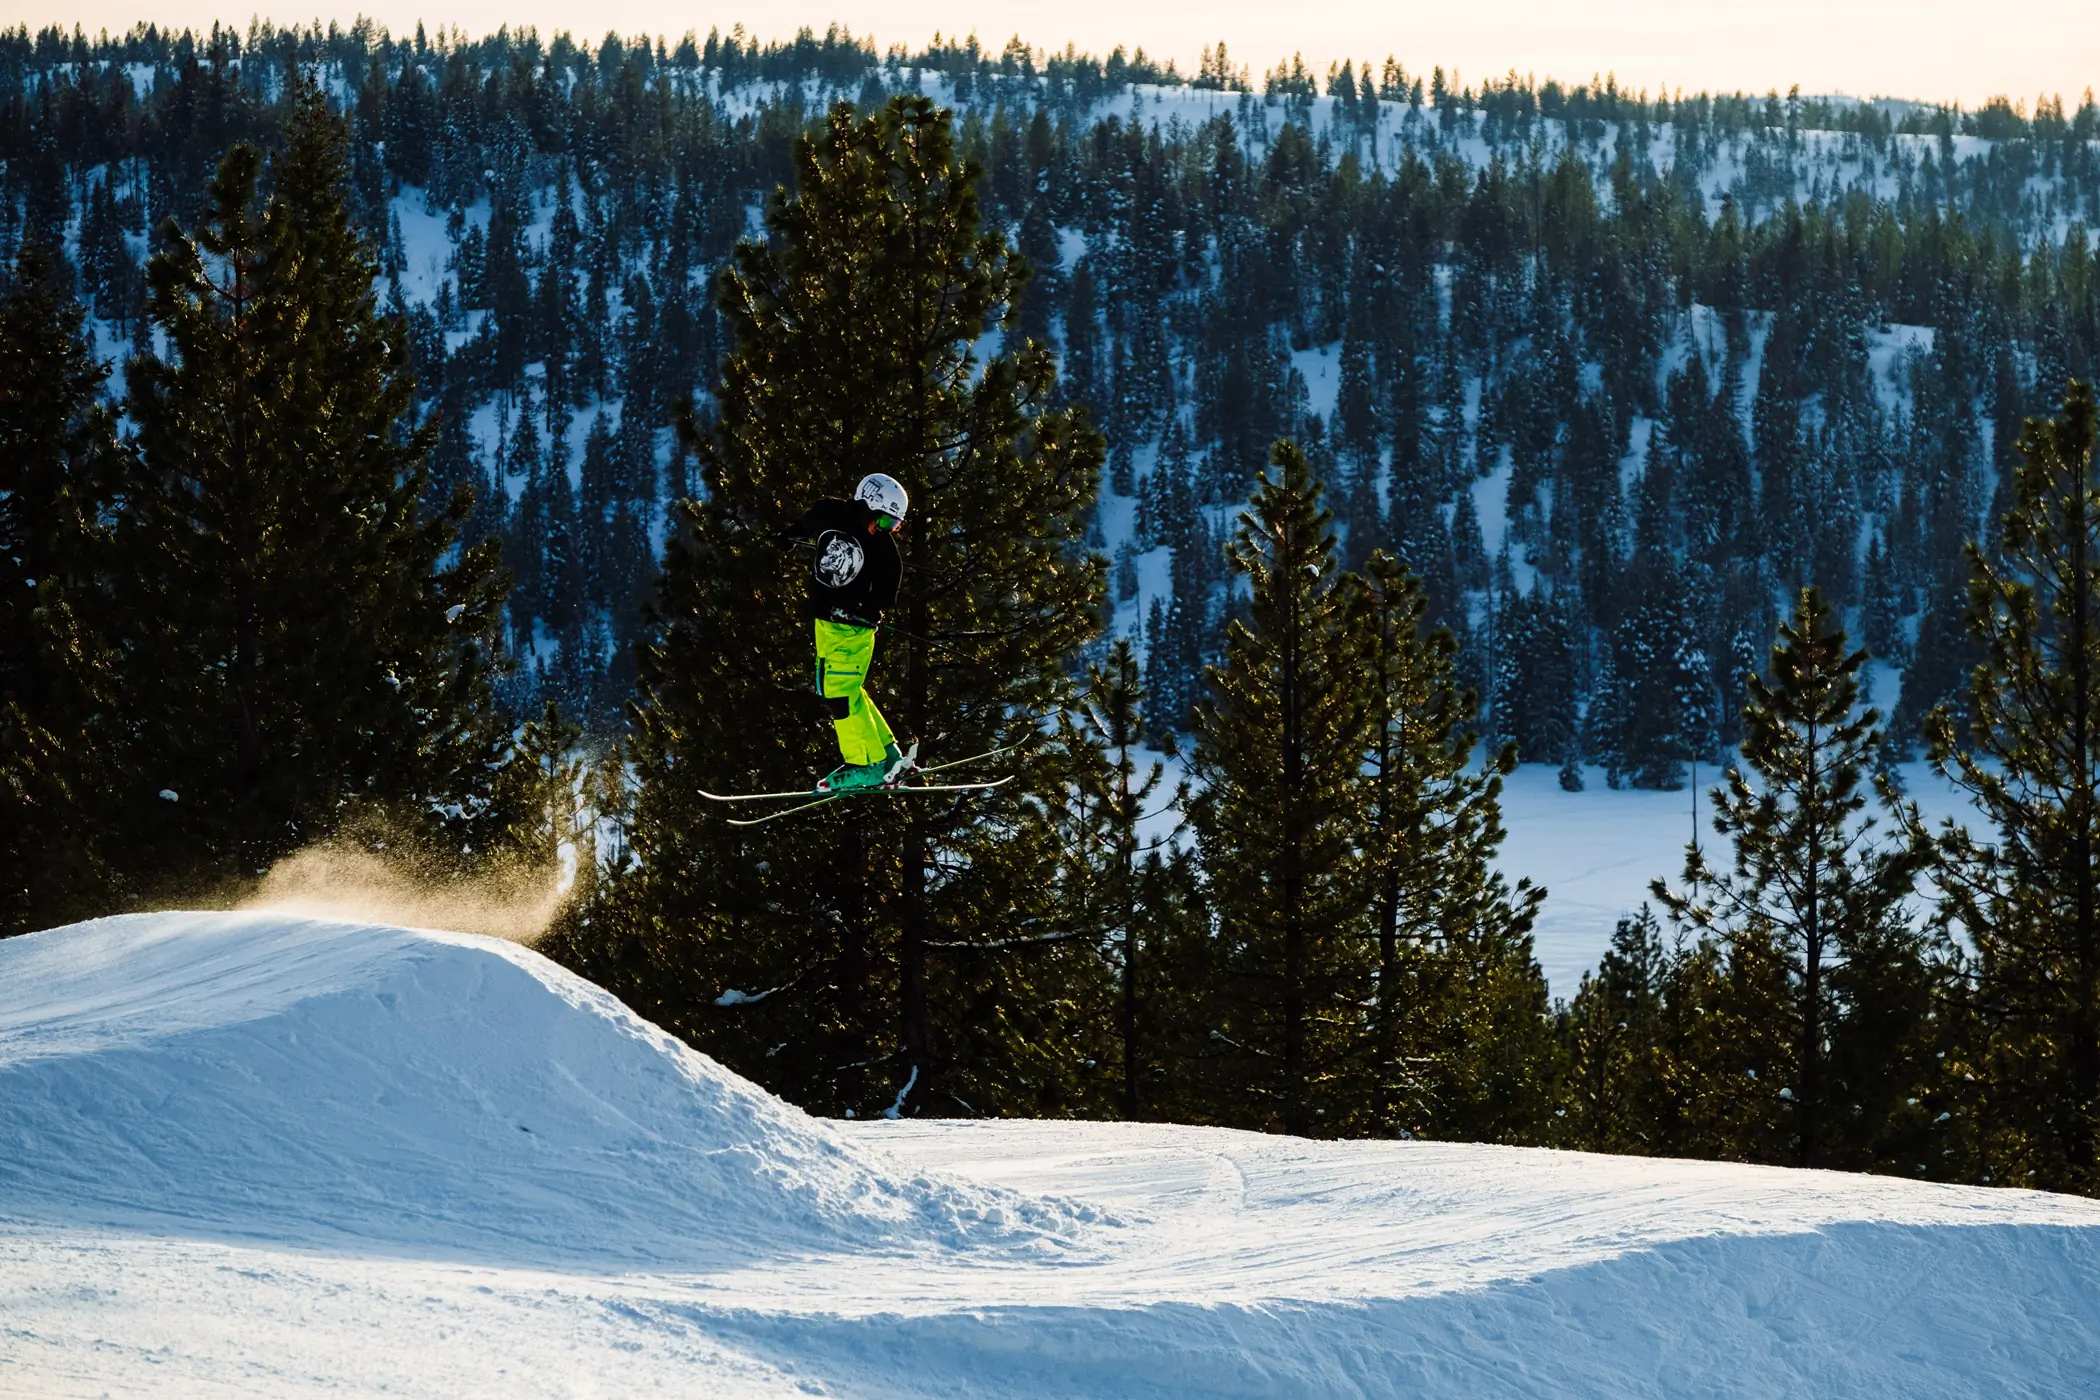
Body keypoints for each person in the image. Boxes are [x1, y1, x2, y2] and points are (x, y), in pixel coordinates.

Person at [776, 473, 916, 792]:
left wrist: (867, 610)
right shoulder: (831, 511)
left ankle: (863, 765)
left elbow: (886, 589)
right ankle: (888, 757)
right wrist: (791, 534)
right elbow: (811, 520)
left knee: (838, 694)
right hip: (826, 623)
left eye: (894, 525)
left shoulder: (884, 550)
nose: (885, 530)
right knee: (847, 688)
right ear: (866, 504)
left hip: (851, 628)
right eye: (884, 521)